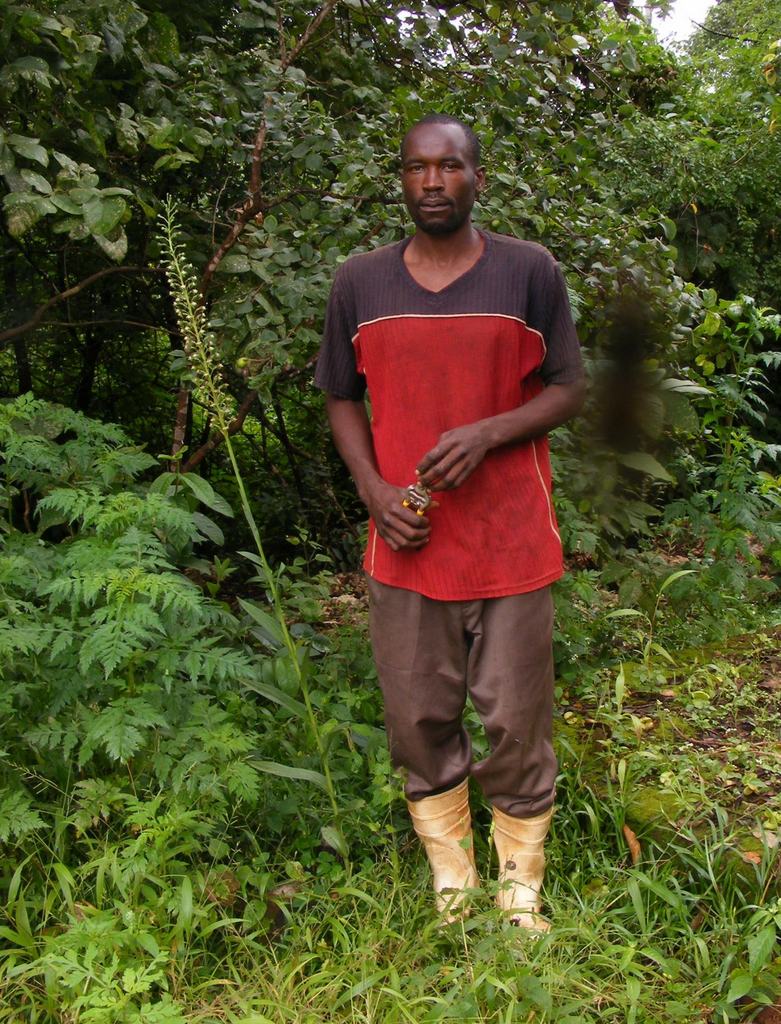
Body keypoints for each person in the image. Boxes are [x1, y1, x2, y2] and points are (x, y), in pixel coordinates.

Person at [314, 113, 585, 930]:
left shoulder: (527, 272)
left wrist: (488, 432)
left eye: (450, 166)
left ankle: (518, 888)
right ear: (400, 179)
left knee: (516, 717)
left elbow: (568, 388)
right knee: (416, 717)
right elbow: (340, 395)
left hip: (509, 539)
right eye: (416, 167)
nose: (432, 182)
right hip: (407, 538)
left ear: (477, 177)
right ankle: (452, 880)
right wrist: (372, 491)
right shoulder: (360, 281)